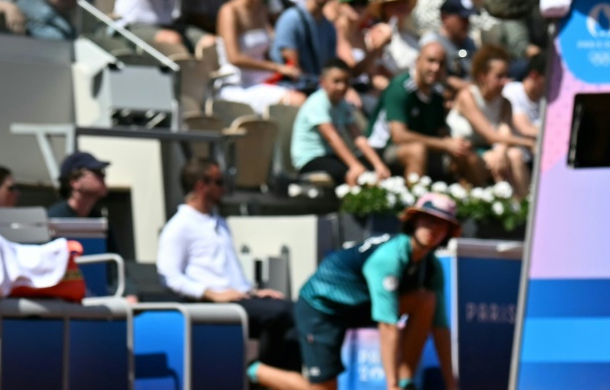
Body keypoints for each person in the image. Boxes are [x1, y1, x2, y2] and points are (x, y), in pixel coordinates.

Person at [282, 193, 460, 390]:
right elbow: (387, 324)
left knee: (425, 300)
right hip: (321, 308)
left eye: (442, 224)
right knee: (323, 388)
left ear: (449, 232)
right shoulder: (389, 258)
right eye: (428, 220)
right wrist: (391, 386)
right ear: (414, 220)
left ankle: (406, 381)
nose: (433, 228)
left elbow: (441, 328)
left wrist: (452, 386)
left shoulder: (432, 267)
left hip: (360, 306)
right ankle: (254, 370)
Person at [156, 159, 301, 386]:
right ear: (201, 186)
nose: (224, 188)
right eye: (219, 182)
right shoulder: (179, 226)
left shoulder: (219, 222)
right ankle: (260, 376)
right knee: (279, 312)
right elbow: (169, 276)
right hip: (209, 303)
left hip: (236, 298)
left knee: (296, 311)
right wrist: (211, 293)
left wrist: (254, 292)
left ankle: (283, 381)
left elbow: (229, 271)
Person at [376, 40, 478, 182]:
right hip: (383, 150)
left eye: (441, 63)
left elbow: (441, 132)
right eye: (431, 61)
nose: (435, 68)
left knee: (464, 153)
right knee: (417, 150)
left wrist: (456, 144)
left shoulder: (436, 94)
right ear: (418, 61)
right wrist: (445, 144)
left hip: (426, 149)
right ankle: (415, 201)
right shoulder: (399, 88)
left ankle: (474, 199)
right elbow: (398, 136)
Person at [215, 0, 303, 110]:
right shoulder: (229, 11)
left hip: (263, 81)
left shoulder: (263, 9)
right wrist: (277, 68)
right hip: (236, 86)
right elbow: (234, 58)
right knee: (298, 101)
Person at [291, 58, 391, 185]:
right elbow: (333, 138)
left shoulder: (343, 104)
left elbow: (359, 138)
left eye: (346, 81)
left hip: (332, 156)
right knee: (349, 173)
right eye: (336, 81)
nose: (342, 86)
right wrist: (354, 165)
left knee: (371, 169)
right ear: (323, 82)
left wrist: (378, 164)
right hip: (311, 160)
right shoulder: (317, 103)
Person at [451, 44, 534, 191]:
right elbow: (489, 135)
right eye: (499, 76)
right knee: (493, 158)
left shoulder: (505, 103)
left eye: (506, 75)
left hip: (488, 150)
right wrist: (528, 142)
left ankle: (523, 204)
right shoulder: (467, 97)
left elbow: (503, 133)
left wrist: (501, 151)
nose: (505, 81)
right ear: (482, 76)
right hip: (464, 152)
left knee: (514, 155)